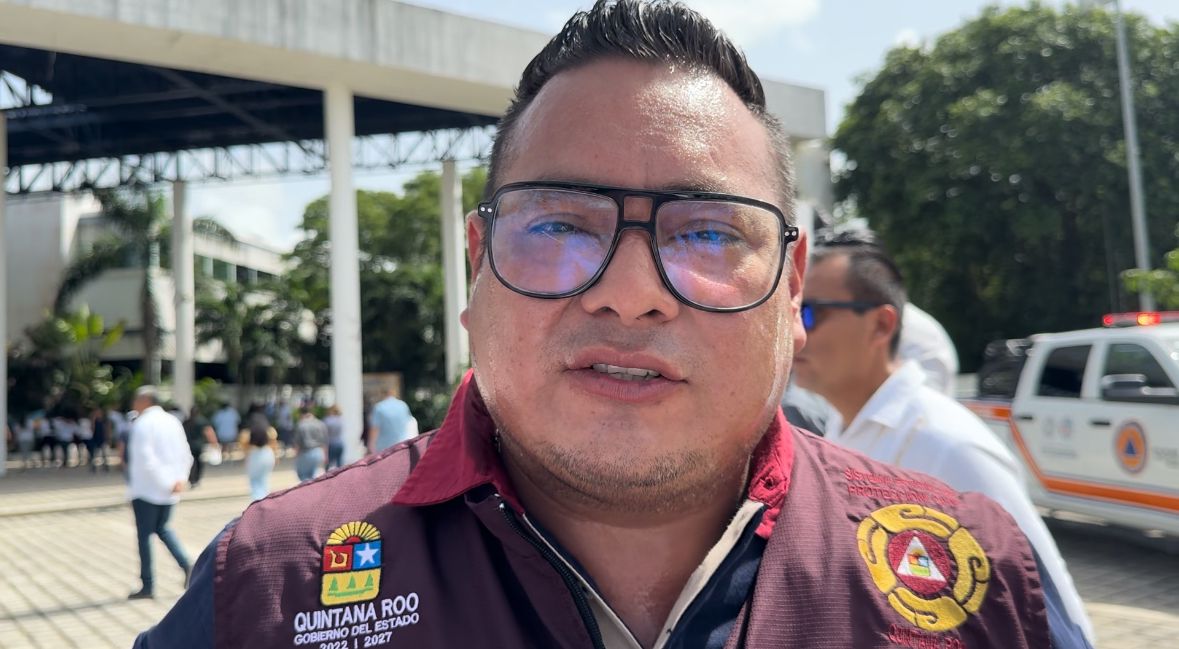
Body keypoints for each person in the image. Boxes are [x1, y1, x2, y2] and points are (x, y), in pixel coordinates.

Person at [136, 3, 1072, 647]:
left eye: (707, 231)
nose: (629, 293)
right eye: (558, 225)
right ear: (476, 267)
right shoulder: (271, 585)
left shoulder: (977, 580)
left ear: (791, 289)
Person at [793, 240, 1095, 645]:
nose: (795, 330)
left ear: (880, 325)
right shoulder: (838, 429)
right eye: (791, 310)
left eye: (810, 312)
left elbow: (1042, 607)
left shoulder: (946, 443)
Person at [125, 386, 193, 600]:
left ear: (145, 400)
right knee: (163, 528)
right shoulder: (172, 421)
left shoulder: (142, 423)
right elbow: (185, 453)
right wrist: (180, 480)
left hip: (147, 489)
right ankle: (186, 564)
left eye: (136, 399)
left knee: (145, 536)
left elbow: (145, 459)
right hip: (170, 488)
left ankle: (148, 584)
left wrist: (166, 482)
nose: (133, 403)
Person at [365, 387, 416, 454]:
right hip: (402, 444)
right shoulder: (403, 405)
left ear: (382, 394)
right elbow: (409, 424)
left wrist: (371, 446)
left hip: (384, 447)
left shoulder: (379, 407)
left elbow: (375, 428)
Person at [244, 403, 277, 501]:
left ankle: (258, 503)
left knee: (255, 482)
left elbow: (244, 441)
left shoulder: (249, 423)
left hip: (254, 454)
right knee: (264, 480)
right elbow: (274, 439)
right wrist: (275, 455)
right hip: (268, 453)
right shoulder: (266, 424)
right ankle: (265, 502)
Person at [183, 406, 219, 488]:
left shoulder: (186, 422)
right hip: (198, 445)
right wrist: (214, 443)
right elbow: (209, 432)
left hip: (188, 445)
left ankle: (192, 479)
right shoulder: (202, 421)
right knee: (198, 462)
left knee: (191, 462)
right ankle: (196, 479)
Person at [292, 407, 328, 482]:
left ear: (301, 414)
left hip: (305, 453)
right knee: (314, 477)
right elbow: (324, 441)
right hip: (318, 452)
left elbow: (297, 443)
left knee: (303, 477)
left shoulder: (301, 424)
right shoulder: (320, 423)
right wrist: (325, 455)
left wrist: (295, 455)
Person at [322, 405, 346, 470]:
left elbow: (324, 434)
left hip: (331, 443)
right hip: (340, 443)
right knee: (340, 465)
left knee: (328, 464)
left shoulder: (327, 420)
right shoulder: (341, 419)